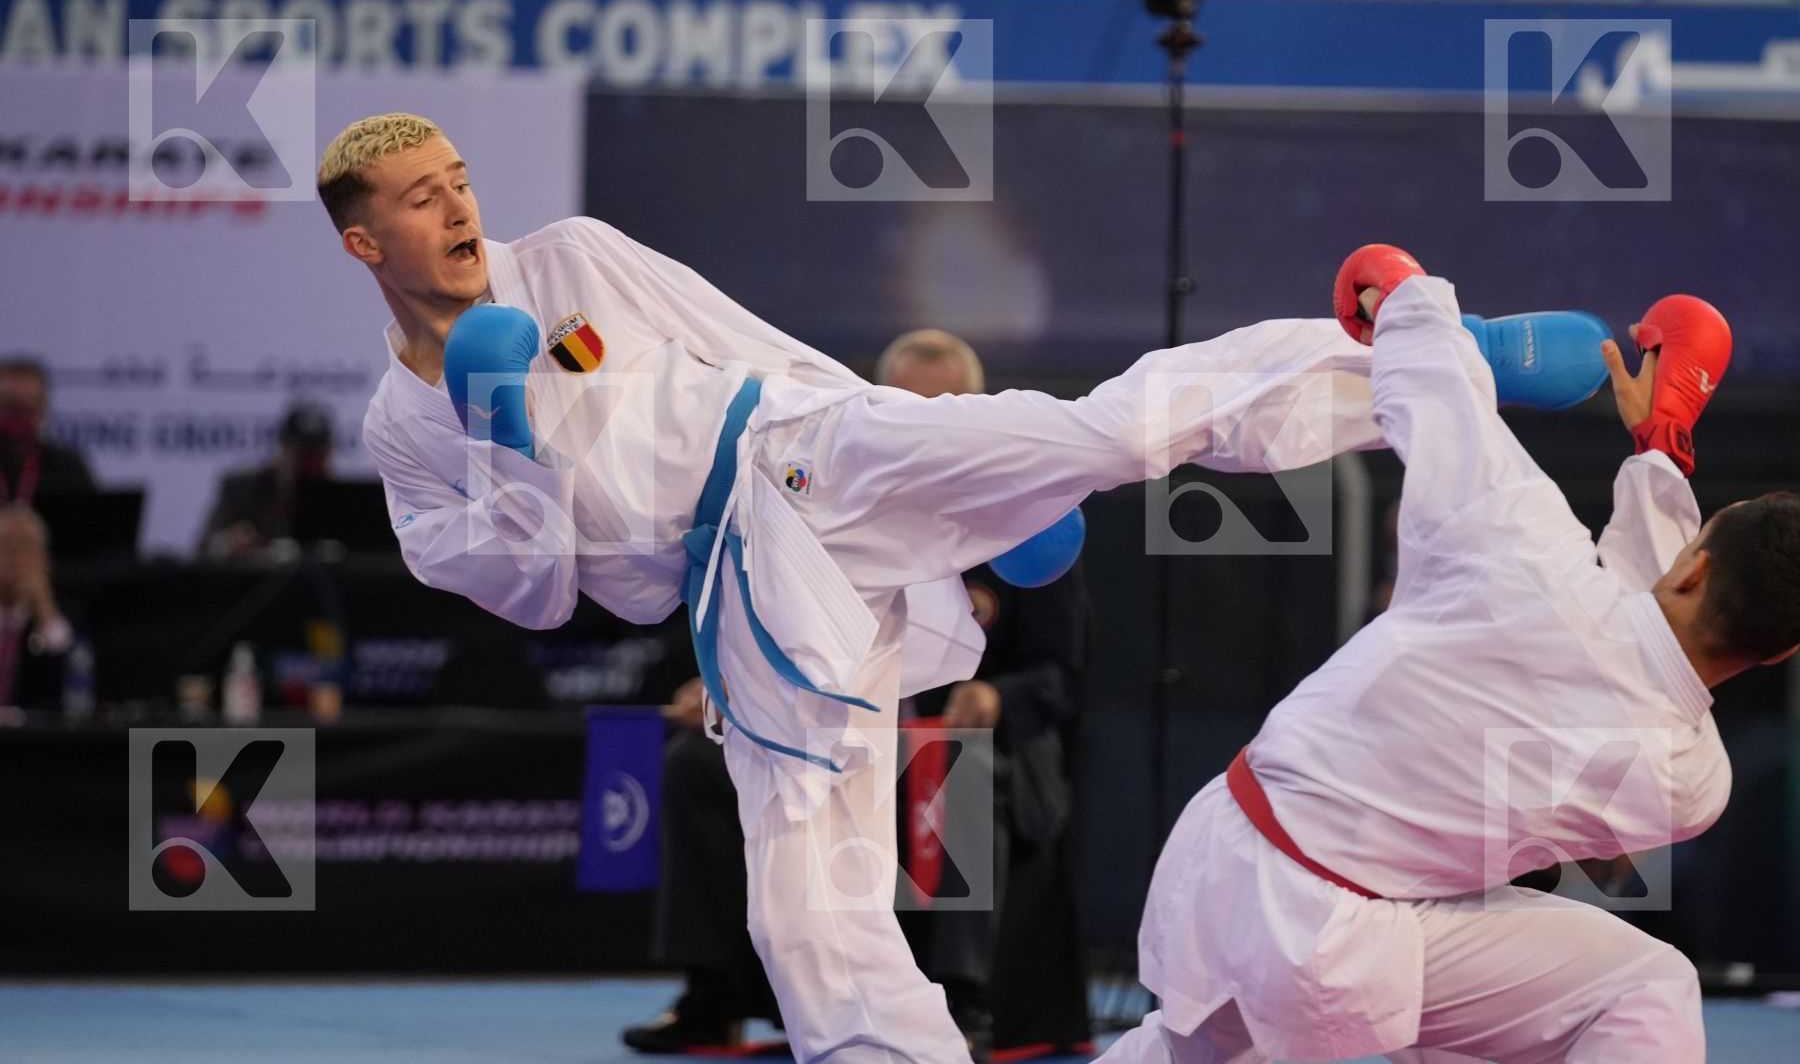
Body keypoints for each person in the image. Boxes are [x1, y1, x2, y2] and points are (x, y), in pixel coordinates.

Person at [315, 114, 1579, 1060]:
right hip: (746, 594)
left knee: (1101, 439)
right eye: (424, 201)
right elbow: (536, 593)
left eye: (461, 182)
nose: (461, 208)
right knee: (806, 897)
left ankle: (1433, 354)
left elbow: (754, 347)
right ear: (367, 240)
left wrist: (947, 498)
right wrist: (506, 442)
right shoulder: (406, 433)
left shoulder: (574, 265)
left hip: (802, 451)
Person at [1098, 247, 1795, 1063]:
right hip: (1353, 930)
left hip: (1228, 863)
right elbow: (1645, 639)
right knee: (1644, 987)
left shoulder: (1520, 549)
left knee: (1192, 1051)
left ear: (1697, 566)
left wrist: (1400, 289)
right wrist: (1658, 452)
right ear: (1781, 655)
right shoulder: (1692, 787)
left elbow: (1436, 393)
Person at [622, 330, 1088, 1059]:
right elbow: (750, 613)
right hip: (821, 732)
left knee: (956, 769)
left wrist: (995, 699)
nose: (925, 427)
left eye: (946, 410)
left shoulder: (1016, 517)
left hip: (947, 744)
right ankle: (711, 996)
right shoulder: (820, 499)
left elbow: (1059, 677)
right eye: (908, 407)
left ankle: (959, 1002)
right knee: (697, 766)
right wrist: (721, 683)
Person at [200, 400, 335, 559]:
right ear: (283, 446)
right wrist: (229, 542)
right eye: (302, 452)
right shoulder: (242, 488)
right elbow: (205, 549)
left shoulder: (341, 498)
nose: (309, 461)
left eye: (316, 453)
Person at [0, 504, 82, 711]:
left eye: (26, 548)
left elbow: (70, 679)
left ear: (45, 560)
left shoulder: (69, 612)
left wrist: (43, 605)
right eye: (7, 547)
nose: (17, 558)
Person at [0, 357, 96, 508]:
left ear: (43, 411)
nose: (18, 417)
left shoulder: (67, 470)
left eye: (27, 409)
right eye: (10, 406)